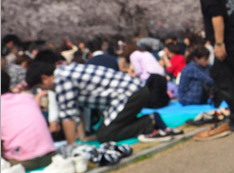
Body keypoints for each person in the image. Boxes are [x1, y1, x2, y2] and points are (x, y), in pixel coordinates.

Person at [24, 61, 181, 144]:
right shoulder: (66, 71)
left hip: (129, 94)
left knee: (106, 135)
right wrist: (83, 137)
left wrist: (72, 148)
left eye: (40, 86)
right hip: (132, 92)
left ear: (45, 78)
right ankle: (148, 121)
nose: (44, 90)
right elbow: (76, 110)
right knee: (108, 129)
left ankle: (149, 122)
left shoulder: (61, 79)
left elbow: (68, 117)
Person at [182, 0, 234, 140]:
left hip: (227, 41)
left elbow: (216, 17)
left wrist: (218, 44)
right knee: (223, 76)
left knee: (221, 76)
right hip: (233, 38)